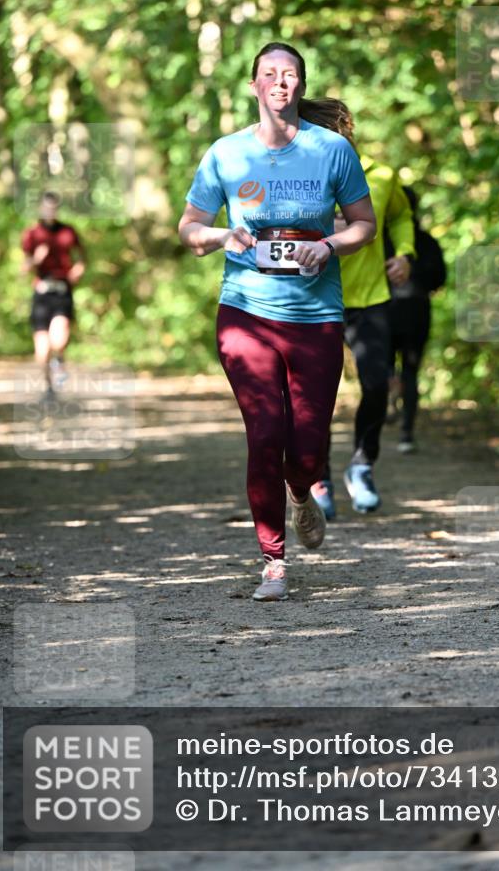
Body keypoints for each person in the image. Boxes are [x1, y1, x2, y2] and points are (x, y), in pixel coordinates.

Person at [178, 42, 376, 602]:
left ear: (301, 87)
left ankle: (301, 491)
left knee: (307, 449)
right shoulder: (225, 153)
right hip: (245, 313)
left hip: (315, 317)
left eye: (290, 74)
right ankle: (273, 561)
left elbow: (365, 224)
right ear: (254, 86)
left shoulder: (332, 151)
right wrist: (221, 236)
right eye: (270, 74)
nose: (280, 82)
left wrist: (331, 246)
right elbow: (189, 227)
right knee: (264, 434)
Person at [310, 111, 416, 518]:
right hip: (314, 297)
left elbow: (403, 215)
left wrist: (405, 253)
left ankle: (362, 464)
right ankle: (317, 476)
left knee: (376, 386)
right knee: (316, 395)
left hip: (369, 295)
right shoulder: (299, 173)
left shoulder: (383, 174)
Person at [385, 185, 446, 453]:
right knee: (410, 372)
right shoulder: (427, 241)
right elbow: (440, 278)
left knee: (384, 368)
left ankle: (389, 393)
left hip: (383, 310)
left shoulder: (379, 240)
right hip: (416, 311)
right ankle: (406, 434)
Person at [21, 191, 86, 394]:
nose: (50, 211)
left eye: (53, 207)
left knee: (58, 338)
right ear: (40, 208)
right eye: (46, 207)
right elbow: (23, 268)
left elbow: (82, 257)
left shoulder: (68, 231)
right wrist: (36, 260)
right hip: (42, 293)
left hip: (62, 290)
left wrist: (78, 269)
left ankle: (59, 359)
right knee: (42, 347)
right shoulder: (32, 234)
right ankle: (48, 387)